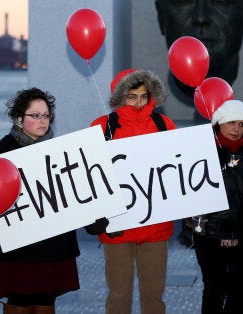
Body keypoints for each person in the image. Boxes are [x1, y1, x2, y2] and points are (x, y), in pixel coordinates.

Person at [0, 87, 107, 313]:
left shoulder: (60, 153)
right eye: (35, 115)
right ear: (19, 119)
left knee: (46, 302)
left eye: (46, 115)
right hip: (18, 250)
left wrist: (93, 217)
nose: (43, 121)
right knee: (18, 301)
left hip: (53, 247)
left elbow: (76, 192)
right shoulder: (0, 153)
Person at [90, 68, 177, 314]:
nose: (138, 102)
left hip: (156, 228)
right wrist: (92, 214)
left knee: (154, 297)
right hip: (117, 229)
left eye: (143, 96)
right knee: (118, 296)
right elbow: (90, 176)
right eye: (132, 96)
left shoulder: (164, 124)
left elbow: (179, 172)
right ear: (120, 97)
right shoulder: (102, 127)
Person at [191, 99, 243, 313]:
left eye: (241, 124)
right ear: (219, 123)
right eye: (230, 123)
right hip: (211, 236)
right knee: (214, 291)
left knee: (238, 291)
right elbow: (188, 192)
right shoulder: (202, 151)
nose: (236, 129)